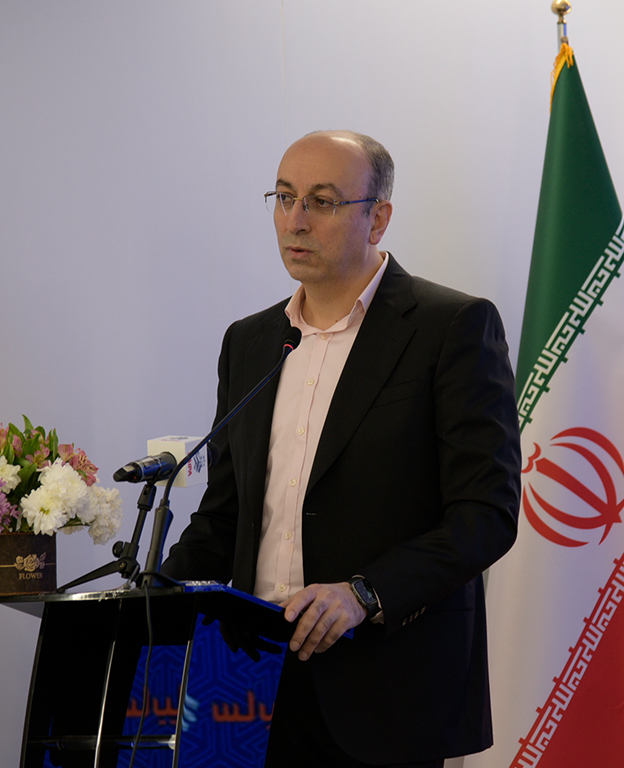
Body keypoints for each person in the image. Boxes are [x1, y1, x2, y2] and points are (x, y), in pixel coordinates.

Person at [161, 130, 521, 767]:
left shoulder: (451, 327)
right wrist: (150, 600)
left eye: (322, 202)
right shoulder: (250, 342)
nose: (296, 220)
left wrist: (363, 594)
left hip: (387, 686)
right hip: (252, 684)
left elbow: (484, 514)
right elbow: (225, 514)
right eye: (284, 197)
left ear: (378, 218)